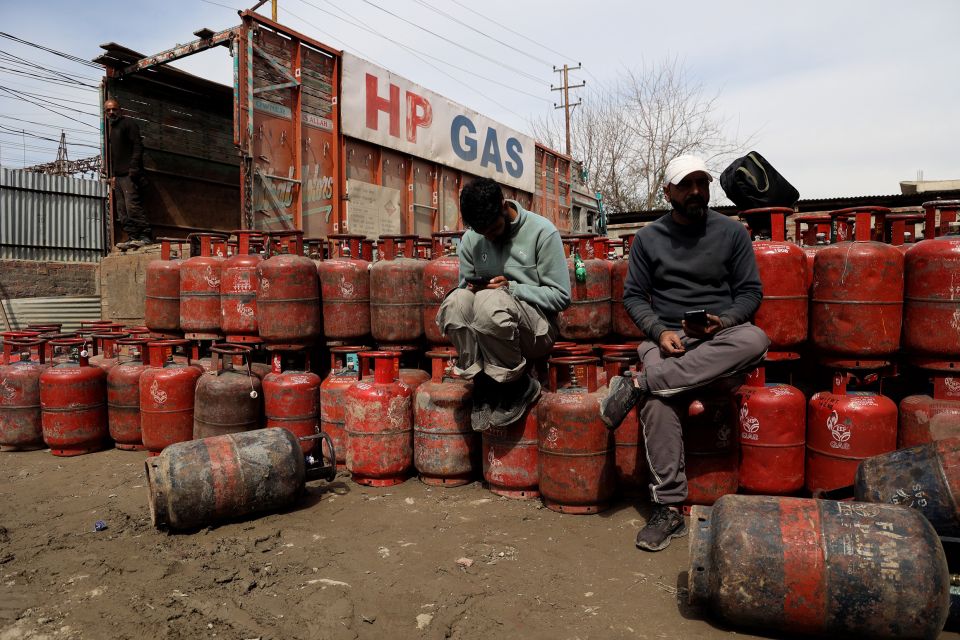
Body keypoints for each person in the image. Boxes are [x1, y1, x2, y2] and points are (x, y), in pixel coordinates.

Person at [600, 154, 769, 552]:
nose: (696, 191)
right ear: (668, 192)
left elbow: (750, 294)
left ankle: (639, 383)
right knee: (659, 405)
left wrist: (722, 323)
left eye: (701, 183)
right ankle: (669, 509)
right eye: (686, 184)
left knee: (755, 340)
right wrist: (659, 332)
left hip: (718, 339)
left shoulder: (732, 233)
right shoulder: (648, 238)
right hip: (669, 341)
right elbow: (635, 298)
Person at [437, 177, 571, 431]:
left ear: (503, 205)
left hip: (536, 331)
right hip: (492, 322)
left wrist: (513, 288)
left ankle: (516, 384)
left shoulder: (542, 232)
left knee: (491, 302)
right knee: (455, 303)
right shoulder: (471, 240)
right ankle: (482, 383)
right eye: (482, 233)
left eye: (494, 229)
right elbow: (465, 294)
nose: (489, 236)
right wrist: (472, 289)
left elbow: (561, 296)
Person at [104, 98, 153, 250]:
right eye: (108, 110)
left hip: (129, 174)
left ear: (120, 110)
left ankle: (145, 236)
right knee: (122, 210)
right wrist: (112, 176)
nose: (111, 112)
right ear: (105, 113)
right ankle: (133, 237)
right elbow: (114, 155)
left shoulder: (128, 124)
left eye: (114, 109)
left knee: (132, 206)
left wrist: (133, 169)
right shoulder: (112, 130)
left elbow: (138, 146)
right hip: (118, 176)